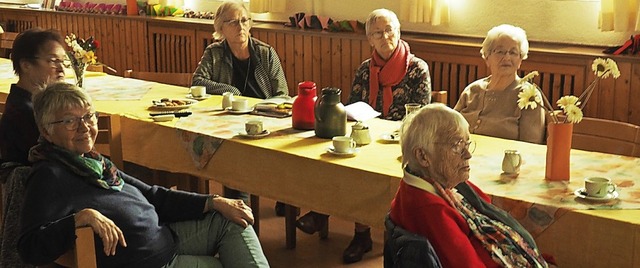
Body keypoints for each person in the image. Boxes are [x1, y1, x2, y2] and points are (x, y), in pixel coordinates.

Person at [18, 82, 269, 267]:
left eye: (88, 116)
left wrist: (214, 201)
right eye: (70, 121)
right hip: (152, 261)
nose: (85, 127)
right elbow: (29, 247)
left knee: (233, 218)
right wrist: (79, 218)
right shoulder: (48, 175)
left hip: (166, 237)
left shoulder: (93, 162)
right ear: (47, 132)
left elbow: (153, 195)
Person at [296, 8, 432, 264]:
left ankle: (354, 231)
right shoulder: (365, 69)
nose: (384, 36)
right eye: (377, 33)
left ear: (398, 32)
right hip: (366, 135)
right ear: (369, 39)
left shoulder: (417, 69)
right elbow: (351, 105)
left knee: (365, 170)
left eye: (389, 30)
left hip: (400, 140)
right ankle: (327, 212)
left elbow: (421, 114)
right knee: (335, 156)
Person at [390, 103, 550, 267]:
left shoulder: (438, 183)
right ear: (423, 156)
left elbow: (486, 209)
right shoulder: (430, 208)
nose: (468, 154)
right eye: (457, 145)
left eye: (466, 144)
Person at [192, 1, 288, 209]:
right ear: (220, 28)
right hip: (230, 120)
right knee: (232, 155)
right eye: (233, 22)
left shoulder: (265, 53)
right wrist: (230, 91)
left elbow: (282, 94)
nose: (240, 26)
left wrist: (264, 109)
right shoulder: (214, 52)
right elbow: (198, 81)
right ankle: (240, 207)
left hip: (264, 120)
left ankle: (283, 193)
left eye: (244, 20)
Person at [454, 24, 545, 144]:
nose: (507, 58)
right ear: (487, 57)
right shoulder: (472, 90)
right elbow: (449, 127)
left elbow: (531, 145)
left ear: (520, 61)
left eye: (513, 53)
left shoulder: (529, 96)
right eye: (500, 52)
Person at [0, 28, 67, 164]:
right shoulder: (24, 112)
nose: (62, 69)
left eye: (63, 61)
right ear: (26, 65)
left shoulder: (36, 102)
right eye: (53, 60)